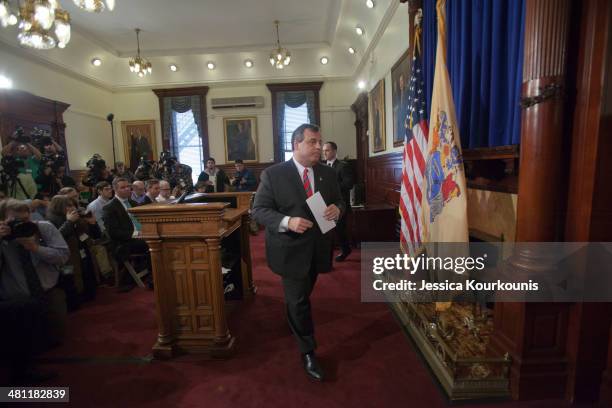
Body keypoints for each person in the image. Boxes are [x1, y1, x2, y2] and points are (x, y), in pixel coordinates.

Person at [252, 123, 344, 382]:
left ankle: (293, 319)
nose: (319, 147)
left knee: (302, 294)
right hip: (290, 250)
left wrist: (338, 210)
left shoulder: (327, 173)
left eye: (320, 142)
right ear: (296, 144)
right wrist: (287, 221)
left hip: (318, 249)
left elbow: (340, 202)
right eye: (313, 142)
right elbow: (259, 210)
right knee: (299, 301)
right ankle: (308, 351)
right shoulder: (274, 174)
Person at [0, 199, 70, 383]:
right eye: (15, 222)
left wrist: (36, 248)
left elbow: (63, 256)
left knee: (53, 339)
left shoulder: (43, 228)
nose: (23, 225)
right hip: (15, 298)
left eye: (26, 219)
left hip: (46, 289)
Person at [102, 177, 150, 292]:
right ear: (115, 189)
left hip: (138, 237)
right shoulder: (109, 207)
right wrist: (137, 234)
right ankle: (151, 276)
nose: (127, 189)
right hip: (123, 243)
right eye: (123, 187)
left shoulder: (133, 203)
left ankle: (151, 273)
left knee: (155, 240)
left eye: (128, 186)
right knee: (151, 243)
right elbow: (114, 233)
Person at [322, 142, 354, 261]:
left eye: (327, 150)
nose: (324, 153)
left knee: (340, 230)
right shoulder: (322, 167)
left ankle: (345, 250)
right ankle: (332, 254)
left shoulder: (342, 166)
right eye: (324, 150)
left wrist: (331, 188)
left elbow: (349, 183)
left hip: (341, 204)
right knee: (329, 230)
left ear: (334, 151)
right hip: (326, 204)